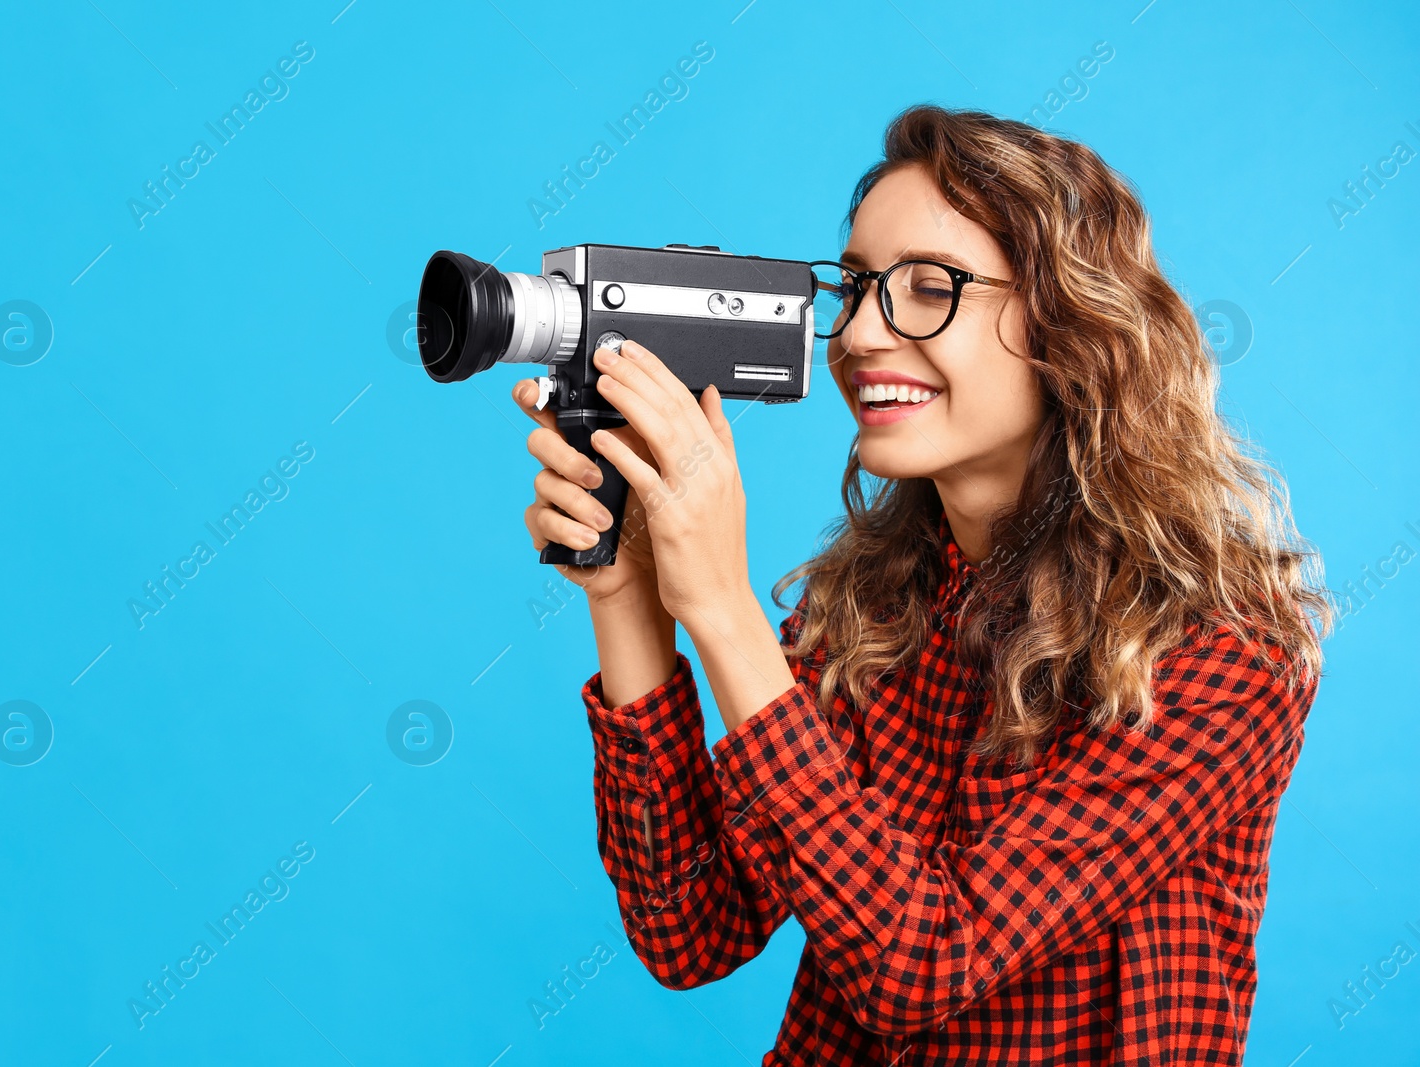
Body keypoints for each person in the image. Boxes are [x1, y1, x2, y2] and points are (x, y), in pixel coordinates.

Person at [512, 104, 1330, 1065]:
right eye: (855, 288)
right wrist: (631, 596)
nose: (858, 335)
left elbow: (922, 961)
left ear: (1070, 321)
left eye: (928, 288)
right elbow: (693, 928)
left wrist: (724, 609)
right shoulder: (868, 609)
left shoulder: (1221, 654)